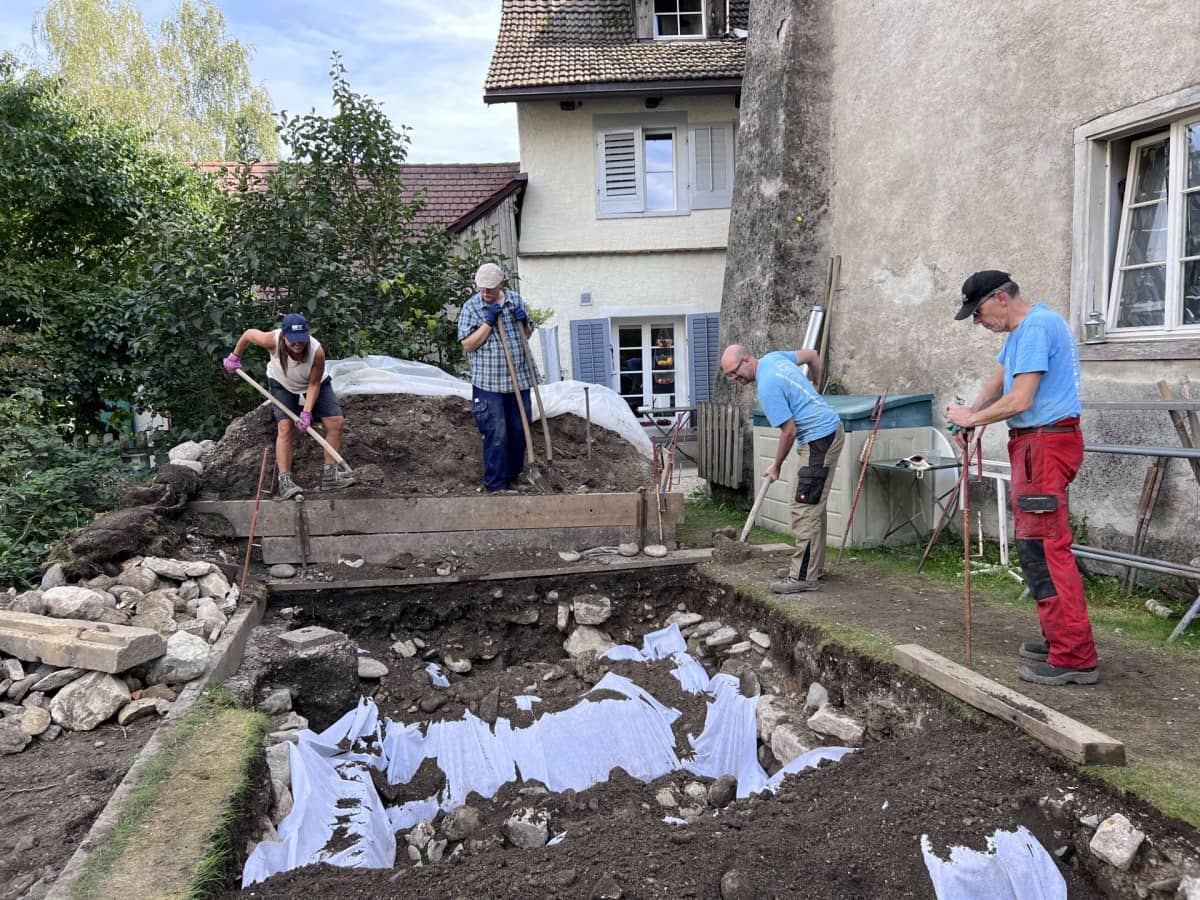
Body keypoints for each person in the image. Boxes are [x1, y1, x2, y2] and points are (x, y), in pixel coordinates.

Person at [946, 270, 1099, 686]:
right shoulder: (1020, 334)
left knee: (1047, 548)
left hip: (1044, 446)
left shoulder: (1036, 327)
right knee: (1034, 545)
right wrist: (972, 417)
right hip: (1035, 446)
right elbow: (999, 382)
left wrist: (973, 418)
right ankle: (1059, 639)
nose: (978, 323)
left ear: (1000, 298)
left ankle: (1075, 656)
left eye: (977, 313)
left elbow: (1020, 398)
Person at [721, 344, 844, 594]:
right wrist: (816, 382)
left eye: (735, 373)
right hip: (826, 433)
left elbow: (789, 431)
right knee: (813, 505)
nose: (735, 379)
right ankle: (810, 568)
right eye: (730, 377)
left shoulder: (767, 387)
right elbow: (811, 355)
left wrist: (776, 465)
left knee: (805, 507)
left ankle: (802, 576)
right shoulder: (773, 358)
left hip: (819, 439)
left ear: (746, 360)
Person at [223, 312, 355, 499]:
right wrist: (234, 357)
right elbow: (248, 334)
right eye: (293, 341)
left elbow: (313, 384)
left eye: (301, 340)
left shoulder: (316, 352)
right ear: (284, 336)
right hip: (282, 384)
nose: (298, 345)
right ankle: (285, 481)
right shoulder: (271, 340)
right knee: (285, 428)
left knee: (336, 422)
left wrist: (307, 413)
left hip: (313, 383)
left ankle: (330, 476)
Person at [457, 263, 535, 493]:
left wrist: (524, 323)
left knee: (519, 431)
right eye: (481, 288)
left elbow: (527, 334)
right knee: (496, 433)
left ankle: (513, 478)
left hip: (518, 379)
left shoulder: (515, 300)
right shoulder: (472, 307)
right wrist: (488, 323)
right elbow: (468, 345)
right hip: (489, 383)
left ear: (501, 283)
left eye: (489, 289)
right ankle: (494, 484)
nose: (485, 293)